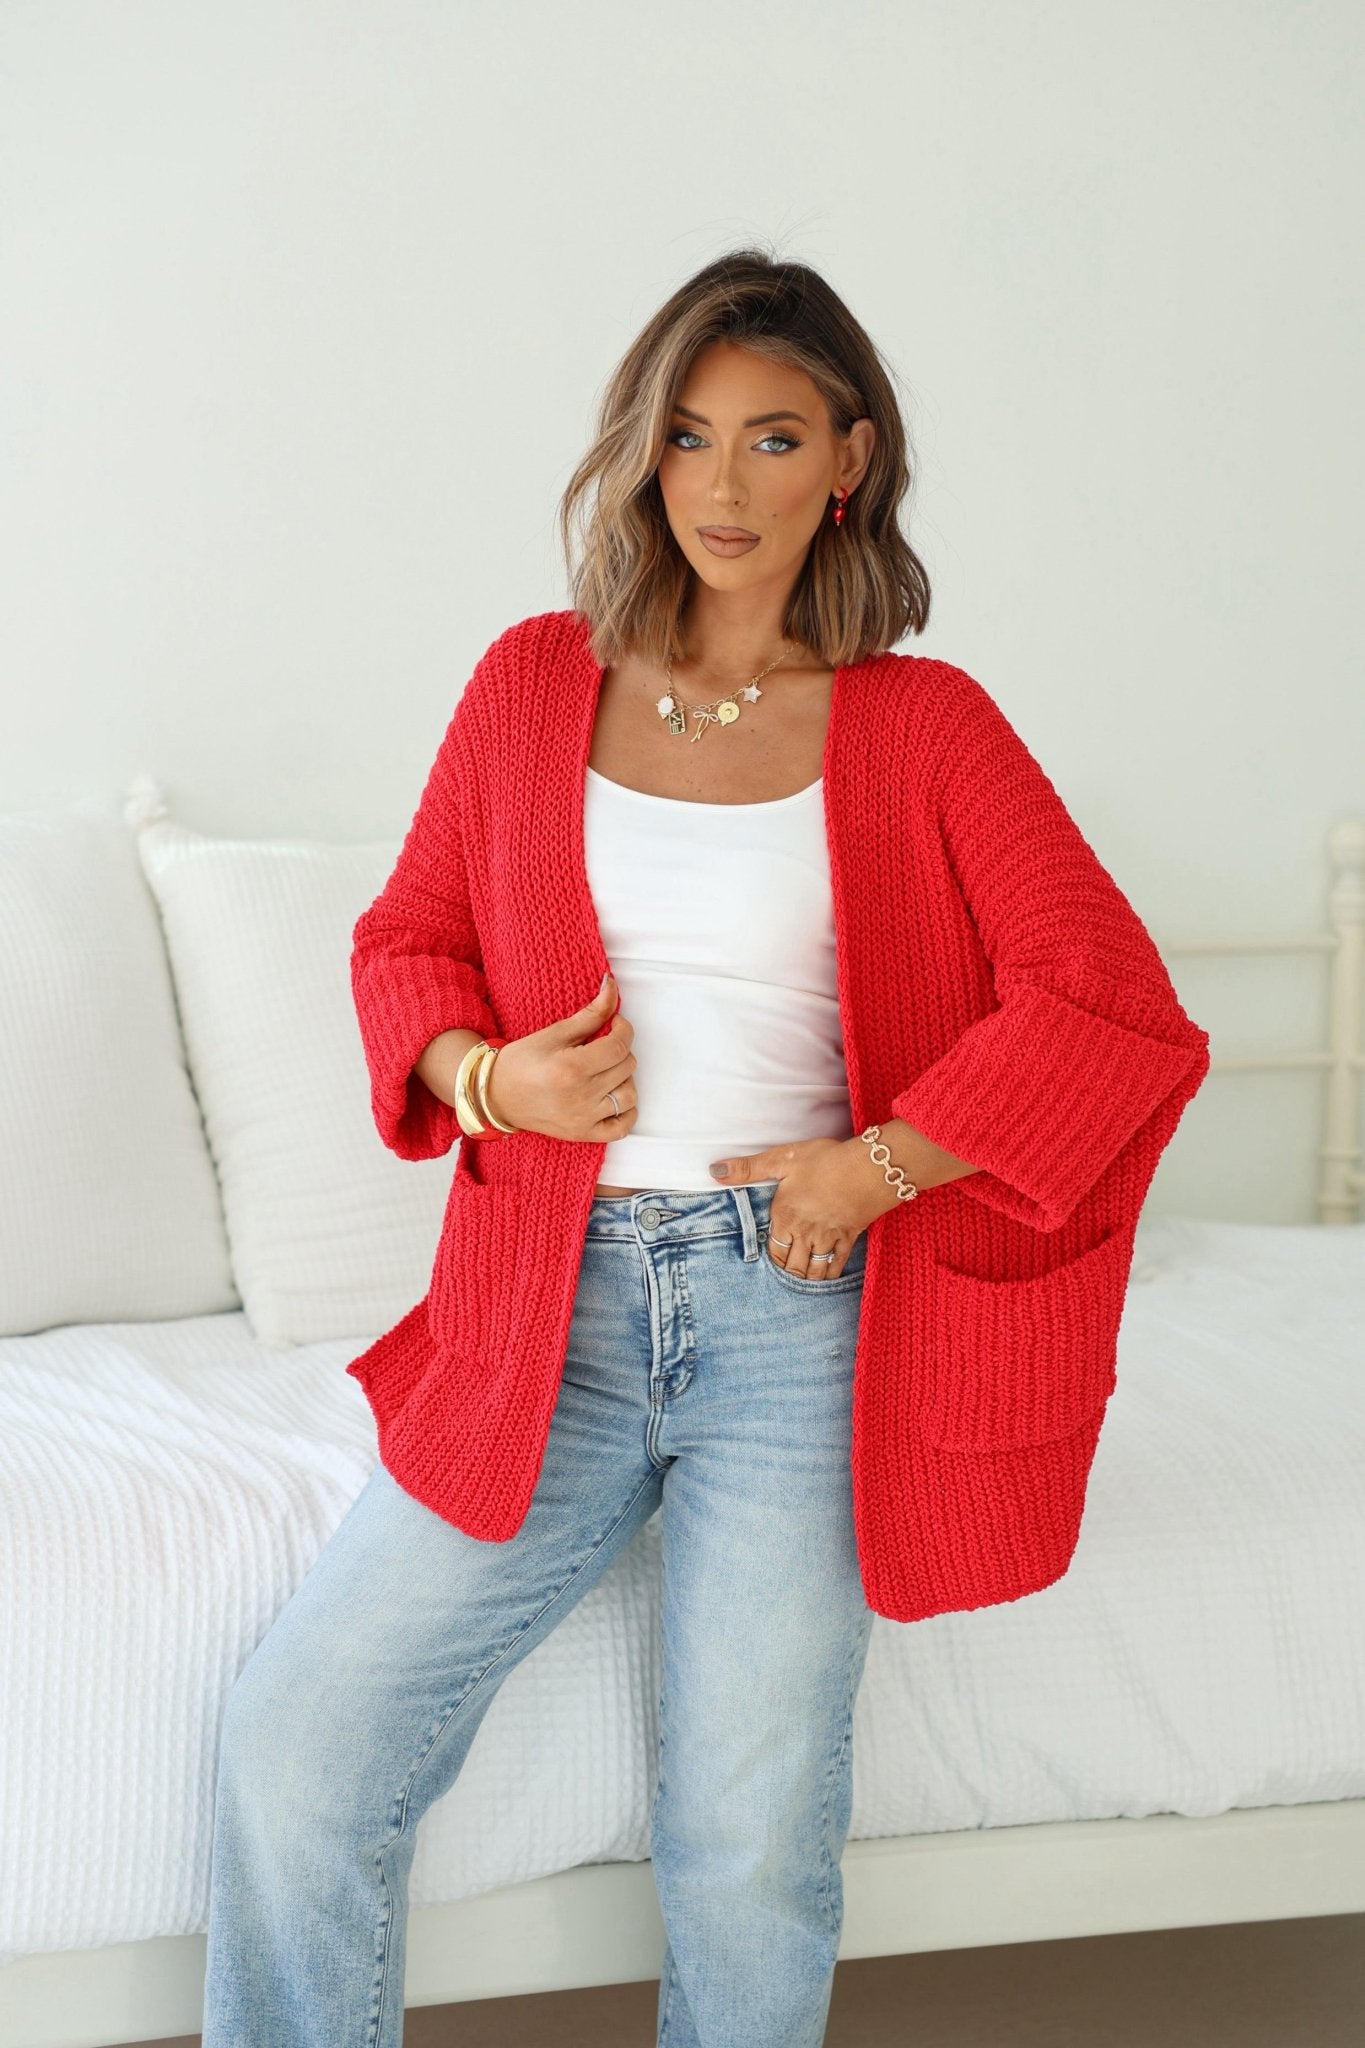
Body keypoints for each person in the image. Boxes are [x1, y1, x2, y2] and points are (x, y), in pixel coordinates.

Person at [202, 248, 1210, 2048]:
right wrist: (494, 1082)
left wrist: (874, 1166)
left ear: (850, 457)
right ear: (639, 456)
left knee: (749, 1846)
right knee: (298, 1742)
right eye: (683, 437)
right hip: (548, 1315)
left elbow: (1111, 1006)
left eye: (768, 438)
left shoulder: (925, 725)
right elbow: (403, 942)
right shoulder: (533, 684)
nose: (721, 486)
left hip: (800, 1332)